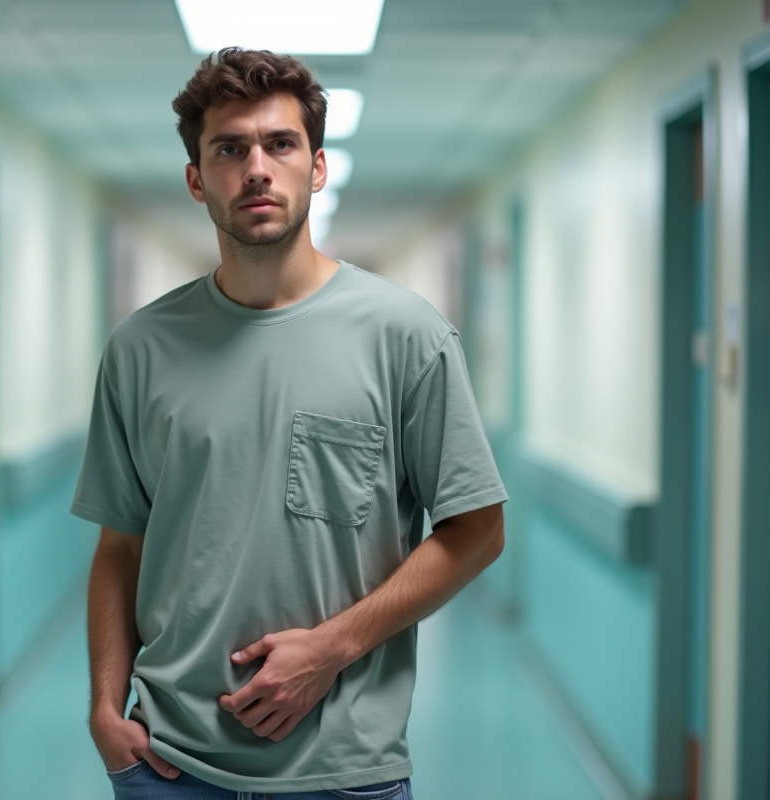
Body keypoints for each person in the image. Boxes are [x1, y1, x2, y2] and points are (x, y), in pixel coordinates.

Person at [72, 48, 507, 800]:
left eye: (281, 144)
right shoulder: (140, 348)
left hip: (343, 769)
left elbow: (477, 529)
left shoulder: (406, 336)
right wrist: (105, 710)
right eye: (229, 149)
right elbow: (120, 544)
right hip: (169, 766)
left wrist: (333, 648)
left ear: (317, 167)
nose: (257, 168)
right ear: (196, 178)